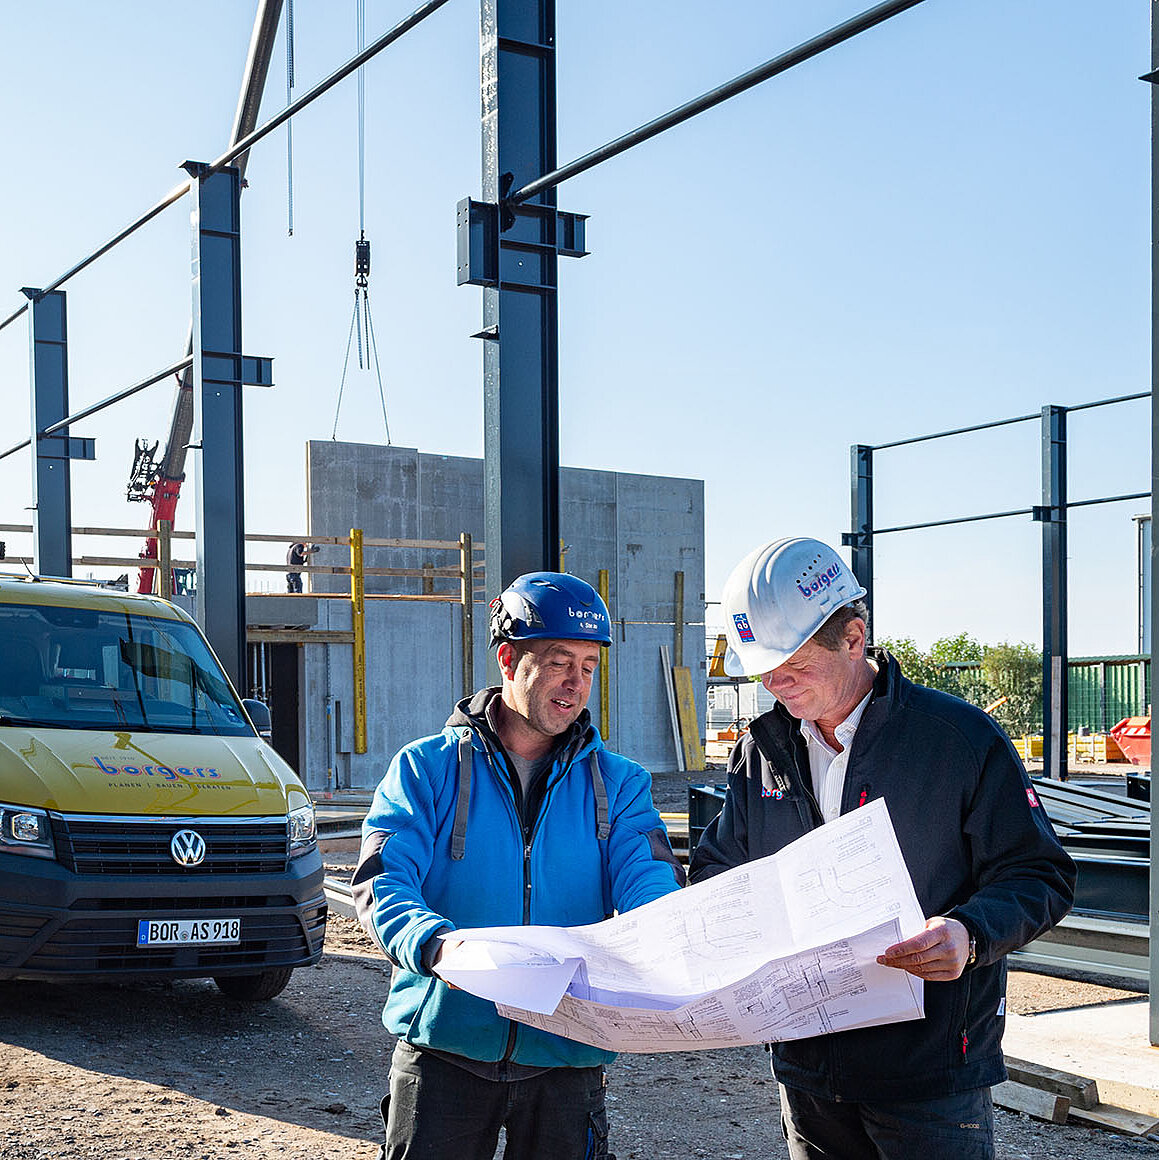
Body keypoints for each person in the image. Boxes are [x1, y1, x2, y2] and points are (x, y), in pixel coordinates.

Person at [690, 536, 1075, 1160]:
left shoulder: (957, 741)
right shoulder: (762, 753)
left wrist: (970, 935)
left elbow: (1039, 874)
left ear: (853, 638)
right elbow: (719, 865)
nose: (774, 684)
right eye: (763, 669)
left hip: (928, 1077)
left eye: (794, 666)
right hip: (807, 1067)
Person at [353, 571, 685, 1160]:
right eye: (559, 662)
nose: (575, 684)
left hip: (567, 1050)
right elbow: (384, 880)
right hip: (445, 1043)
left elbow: (647, 875)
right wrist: (435, 945)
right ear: (508, 659)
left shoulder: (621, 784)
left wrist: (661, 932)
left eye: (587, 667)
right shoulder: (425, 769)